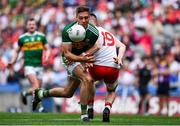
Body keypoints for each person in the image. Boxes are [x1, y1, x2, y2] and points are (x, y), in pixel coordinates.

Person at [32, 6, 99, 122]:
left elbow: (95, 47)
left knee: (67, 93)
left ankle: (40, 94)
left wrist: (84, 58)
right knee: (86, 79)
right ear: (76, 17)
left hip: (80, 58)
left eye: (86, 18)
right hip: (69, 60)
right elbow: (67, 54)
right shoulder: (68, 30)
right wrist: (83, 59)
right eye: (81, 18)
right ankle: (84, 114)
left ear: (89, 17)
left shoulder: (94, 32)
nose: (83, 21)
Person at [86, 13, 126, 122]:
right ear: (97, 22)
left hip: (97, 67)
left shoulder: (89, 32)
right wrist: (119, 57)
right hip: (113, 67)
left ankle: (90, 107)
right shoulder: (108, 33)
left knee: (89, 81)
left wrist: (85, 58)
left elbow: (94, 47)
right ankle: (107, 107)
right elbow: (122, 45)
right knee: (111, 90)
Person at [8, 17, 51, 112]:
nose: (31, 26)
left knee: (38, 89)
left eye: (33, 24)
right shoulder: (22, 38)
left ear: (36, 26)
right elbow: (17, 51)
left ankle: (25, 93)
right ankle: (40, 108)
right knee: (36, 86)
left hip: (39, 66)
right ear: (27, 26)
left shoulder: (41, 36)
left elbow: (48, 48)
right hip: (28, 66)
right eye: (30, 24)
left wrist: (47, 57)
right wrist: (12, 61)